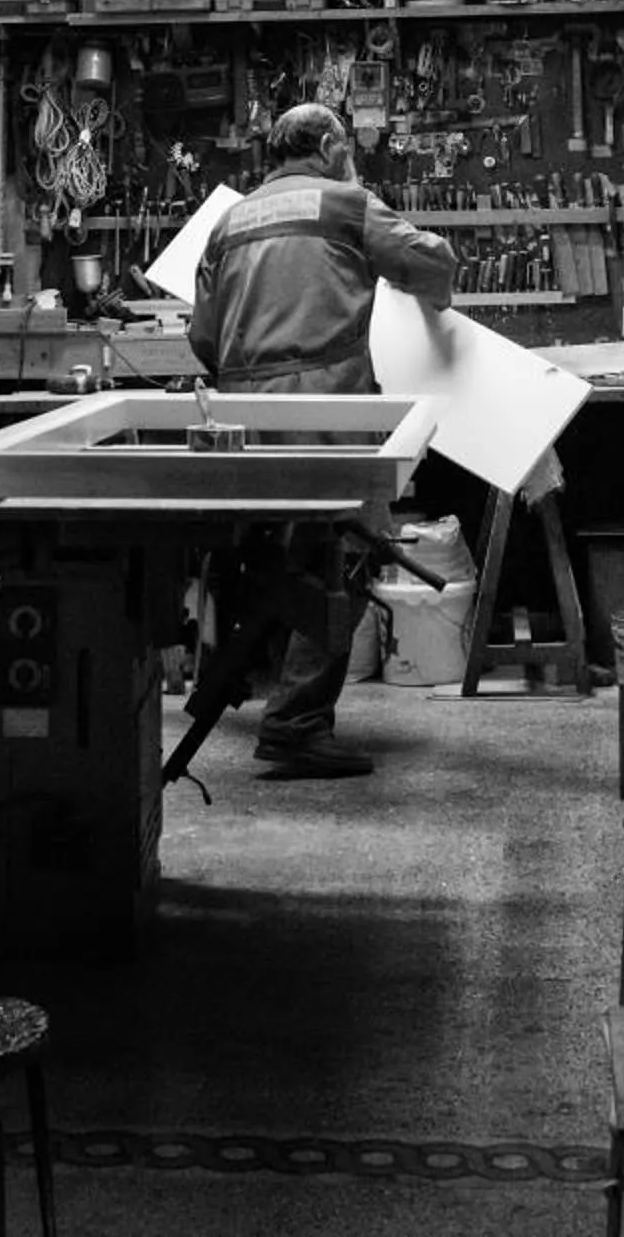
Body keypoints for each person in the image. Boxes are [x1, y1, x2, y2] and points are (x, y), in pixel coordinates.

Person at [188, 102, 457, 776]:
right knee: (346, 556)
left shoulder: (228, 220)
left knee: (259, 557)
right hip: (326, 410)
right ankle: (296, 724)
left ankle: (227, 687)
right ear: (332, 144)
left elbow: (201, 337)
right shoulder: (344, 203)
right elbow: (428, 265)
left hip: (243, 419)